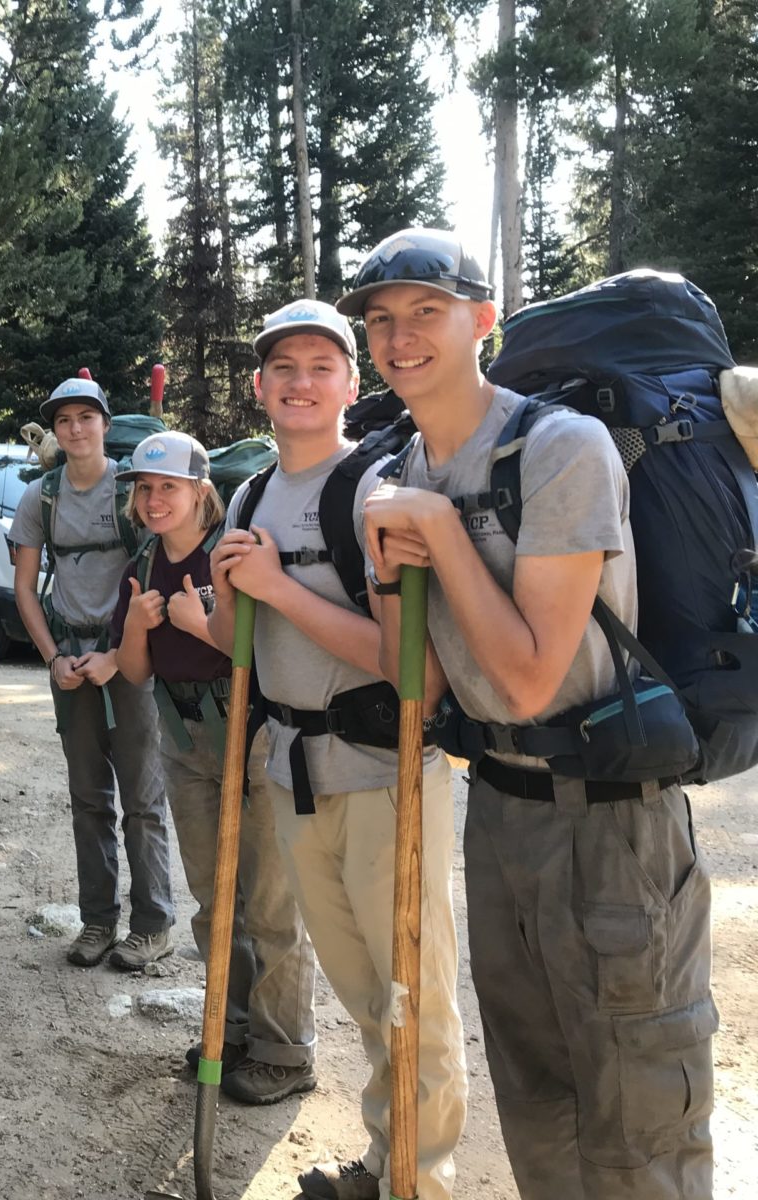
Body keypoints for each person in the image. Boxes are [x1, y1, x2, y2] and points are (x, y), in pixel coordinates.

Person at [352, 228, 716, 1199]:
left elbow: (525, 682)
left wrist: (437, 534)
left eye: (425, 312)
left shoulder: (562, 449)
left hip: (612, 827)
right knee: (536, 1110)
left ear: (482, 321)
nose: (400, 336)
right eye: (381, 319)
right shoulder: (391, 472)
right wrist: (392, 571)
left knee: (637, 1127)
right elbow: (411, 682)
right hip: (499, 814)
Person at [207, 301, 466, 1199]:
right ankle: (387, 1162)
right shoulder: (245, 494)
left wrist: (275, 586)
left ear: (352, 386)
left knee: (412, 996)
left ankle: (418, 1183)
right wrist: (222, 587)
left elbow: (413, 669)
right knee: (364, 992)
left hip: (382, 771)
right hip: (294, 773)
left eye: (322, 366)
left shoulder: (375, 490)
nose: (301, 382)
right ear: (259, 388)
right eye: (284, 368)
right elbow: (227, 636)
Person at [110, 431, 319, 1104]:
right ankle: (227, 1028)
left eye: (167, 487)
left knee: (270, 901)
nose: (153, 500)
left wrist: (197, 622)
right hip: (183, 739)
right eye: (144, 489)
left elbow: (259, 649)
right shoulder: (142, 562)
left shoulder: (230, 554)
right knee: (212, 897)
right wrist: (140, 626)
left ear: (202, 492)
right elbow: (135, 672)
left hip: (250, 735)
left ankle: (284, 1051)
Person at [9, 377, 176, 971]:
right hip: (73, 665)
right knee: (88, 800)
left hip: (130, 664)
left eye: (86, 417)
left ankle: (153, 924)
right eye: (64, 421)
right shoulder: (41, 497)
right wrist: (54, 657)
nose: (76, 430)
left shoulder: (131, 491)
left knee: (143, 798)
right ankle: (99, 921)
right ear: (54, 431)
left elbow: (157, 573)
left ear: (105, 422)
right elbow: (25, 589)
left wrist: (117, 655)